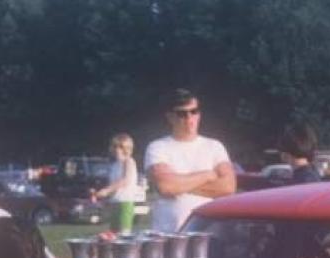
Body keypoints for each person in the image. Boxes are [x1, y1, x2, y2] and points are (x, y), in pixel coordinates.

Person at [144, 88, 235, 232]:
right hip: (169, 233)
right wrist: (207, 175)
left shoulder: (215, 146)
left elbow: (228, 187)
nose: (189, 117)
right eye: (182, 113)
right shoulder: (157, 147)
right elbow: (166, 186)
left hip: (206, 233)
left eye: (194, 111)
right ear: (170, 117)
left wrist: (179, 185)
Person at [91, 133, 140, 235]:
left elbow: (125, 180)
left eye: (121, 147)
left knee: (123, 234)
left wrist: (107, 190)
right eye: (115, 147)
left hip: (125, 202)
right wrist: (101, 194)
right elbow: (113, 185)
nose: (117, 150)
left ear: (127, 149)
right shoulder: (114, 166)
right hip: (114, 202)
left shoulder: (129, 161)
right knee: (113, 234)